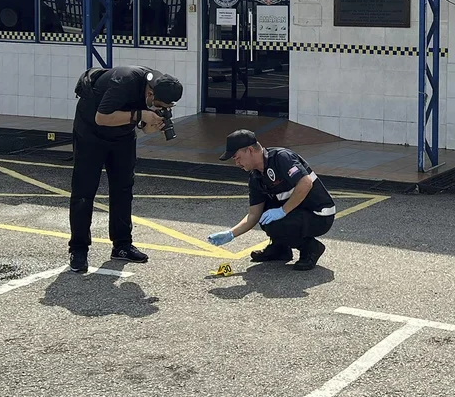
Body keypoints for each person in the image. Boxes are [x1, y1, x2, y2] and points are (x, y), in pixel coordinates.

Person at [68, 65, 183, 273]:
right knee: (84, 192)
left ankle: (122, 245)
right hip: (90, 133)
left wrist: (153, 123)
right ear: (150, 93)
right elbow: (102, 117)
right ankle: (78, 249)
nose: (159, 108)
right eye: (158, 105)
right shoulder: (125, 81)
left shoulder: (161, 88)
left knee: (123, 189)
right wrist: (140, 114)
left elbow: (145, 128)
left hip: (122, 137)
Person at [206, 130, 336, 271]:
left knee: (276, 223)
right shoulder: (255, 177)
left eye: (237, 157)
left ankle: (311, 248)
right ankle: (280, 249)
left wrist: (282, 211)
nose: (237, 163)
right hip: (298, 211)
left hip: (319, 214)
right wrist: (231, 234)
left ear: (250, 150)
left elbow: (306, 183)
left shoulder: (281, 158)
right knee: (265, 216)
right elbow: (254, 214)